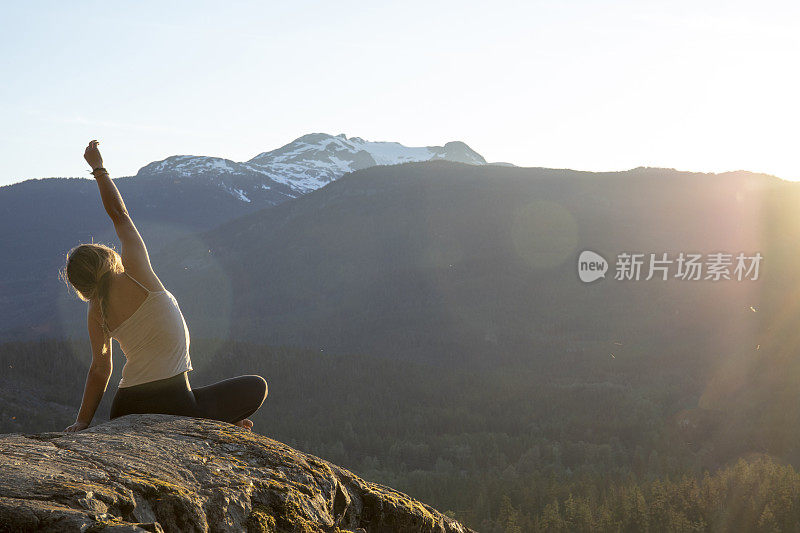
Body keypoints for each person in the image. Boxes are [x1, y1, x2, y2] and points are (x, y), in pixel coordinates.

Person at [60, 140, 267, 433]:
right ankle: (215, 425)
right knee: (256, 387)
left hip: (127, 407)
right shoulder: (136, 274)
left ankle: (215, 423)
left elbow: (99, 371)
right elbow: (120, 216)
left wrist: (83, 421)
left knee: (200, 401)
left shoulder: (96, 311)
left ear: (83, 285)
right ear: (105, 257)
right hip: (175, 401)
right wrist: (99, 168)